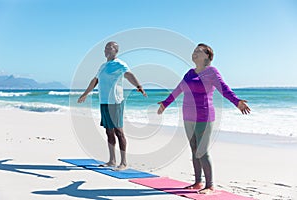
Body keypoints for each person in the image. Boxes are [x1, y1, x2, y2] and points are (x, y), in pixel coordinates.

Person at [157, 43, 250, 194]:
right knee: (194, 150)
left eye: (198, 51)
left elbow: (224, 89)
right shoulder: (189, 73)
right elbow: (178, 89)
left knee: (202, 151)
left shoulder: (211, 72)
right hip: (188, 116)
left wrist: (237, 101)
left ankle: (210, 185)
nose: (194, 53)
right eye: (193, 51)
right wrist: (165, 103)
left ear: (207, 56)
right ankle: (197, 182)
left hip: (204, 116)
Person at [78, 41, 147, 171]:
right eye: (105, 48)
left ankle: (124, 162)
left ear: (116, 50)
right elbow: (95, 80)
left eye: (109, 48)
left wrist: (139, 86)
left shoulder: (120, 64)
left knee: (118, 132)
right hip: (104, 101)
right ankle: (111, 160)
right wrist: (85, 94)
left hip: (115, 101)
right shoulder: (103, 66)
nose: (106, 50)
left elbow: (129, 75)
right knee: (108, 131)